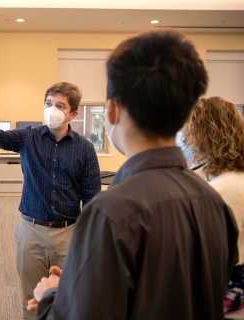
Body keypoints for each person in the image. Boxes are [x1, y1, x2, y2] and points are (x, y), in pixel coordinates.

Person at [27, 29, 238, 320]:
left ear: (111, 112)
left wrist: (51, 295)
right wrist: (83, 284)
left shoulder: (110, 213)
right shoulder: (215, 203)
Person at [0, 82, 101, 320]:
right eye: (48, 103)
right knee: (31, 301)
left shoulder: (85, 148)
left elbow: (92, 197)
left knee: (70, 299)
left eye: (60, 105)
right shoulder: (28, 138)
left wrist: (89, 240)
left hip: (69, 233)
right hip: (31, 231)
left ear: (72, 113)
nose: (52, 109)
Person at [182, 96, 244, 318]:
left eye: (189, 131)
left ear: (210, 133)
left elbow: (201, 255)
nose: (184, 139)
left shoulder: (224, 188)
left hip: (225, 300)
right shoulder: (224, 179)